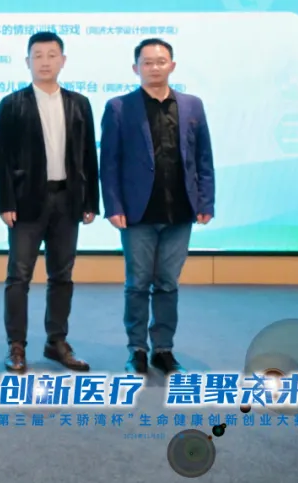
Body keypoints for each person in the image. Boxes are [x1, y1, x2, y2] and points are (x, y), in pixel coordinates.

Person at [100, 38, 214, 376]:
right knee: (137, 284)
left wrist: (205, 200)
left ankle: (163, 349)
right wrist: (113, 206)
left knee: (167, 283)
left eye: (160, 61)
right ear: (135, 68)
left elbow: (203, 158)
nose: (154, 67)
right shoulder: (119, 107)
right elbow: (109, 163)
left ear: (172, 66)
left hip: (180, 212)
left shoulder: (192, 106)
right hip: (137, 214)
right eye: (147, 62)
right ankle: (137, 349)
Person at [0, 31, 100, 374]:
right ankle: (16, 345)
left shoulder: (79, 103)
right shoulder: (12, 104)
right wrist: (5, 202)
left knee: (62, 275)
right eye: (37, 56)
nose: (45, 62)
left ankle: (57, 341)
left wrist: (91, 201)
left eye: (52, 55)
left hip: (68, 200)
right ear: (27, 61)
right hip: (26, 202)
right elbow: (1, 158)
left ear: (63, 61)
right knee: (19, 276)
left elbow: (88, 155)